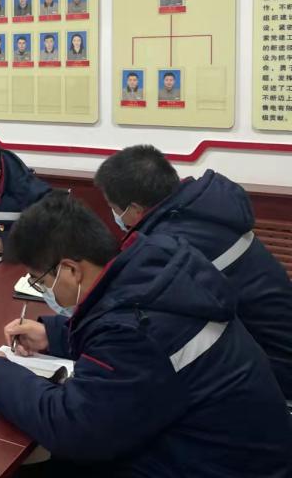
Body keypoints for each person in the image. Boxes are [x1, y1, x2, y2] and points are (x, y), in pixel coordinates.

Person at [0, 191, 291, 477]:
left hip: (217, 464)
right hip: (230, 446)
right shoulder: (153, 268)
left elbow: (76, 430)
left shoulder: (134, 329)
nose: (43, 290)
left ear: (70, 270)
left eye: (39, 281)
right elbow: (139, 346)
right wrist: (53, 335)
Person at [94, 145, 292, 397]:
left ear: (134, 209)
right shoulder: (203, 211)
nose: (115, 215)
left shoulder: (171, 247)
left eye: (113, 207)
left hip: (273, 372)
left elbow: (141, 322)